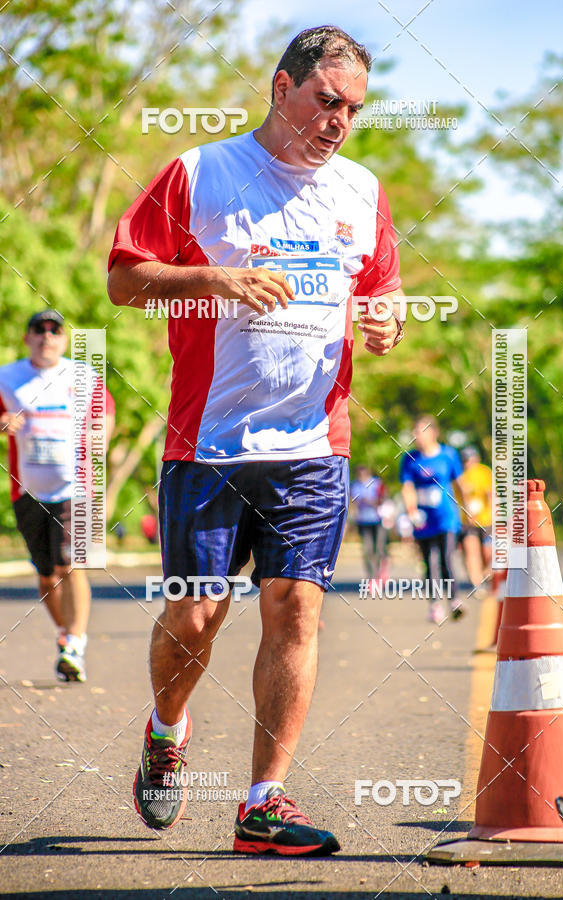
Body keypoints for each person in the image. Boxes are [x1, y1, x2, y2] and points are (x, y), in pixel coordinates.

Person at [108, 25, 404, 856]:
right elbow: (125, 276)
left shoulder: (361, 189)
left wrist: (388, 319)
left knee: (297, 609)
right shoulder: (201, 173)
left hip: (315, 441)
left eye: (353, 109)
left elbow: (384, 289)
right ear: (283, 89)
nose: (339, 120)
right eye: (326, 101)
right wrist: (215, 277)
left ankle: (262, 806)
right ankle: (168, 730)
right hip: (208, 443)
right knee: (198, 613)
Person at [0, 309, 114, 682]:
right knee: (48, 576)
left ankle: (75, 644)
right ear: (27, 337)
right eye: (38, 329)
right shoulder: (7, 377)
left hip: (75, 488)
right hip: (28, 489)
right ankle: (67, 635)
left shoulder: (83, 375)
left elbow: (106, 412)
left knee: (71, 566)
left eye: (54, 330)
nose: (46, 336)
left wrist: (100, 439)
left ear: (64, 338)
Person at [399, 415, 464, 624]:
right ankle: (435, 605)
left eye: (421, 431)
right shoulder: (410, 459)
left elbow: (460, 483)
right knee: (429, 563)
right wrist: (411, 511)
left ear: (434, 433)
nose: (417, 436)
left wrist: (469, 507)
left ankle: (454, 601)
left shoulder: (448, 455)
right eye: (415, 432)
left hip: (447, 517)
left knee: (446, 558)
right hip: (424, 519)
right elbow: (407, 487)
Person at [457, 446, 493, 599]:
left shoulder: (484, 472)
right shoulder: (458, 475)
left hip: (485, 520)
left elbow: (490, 494)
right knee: (471, 552)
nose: (467, 463)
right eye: (464, 460)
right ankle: (477, 584)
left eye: (469, 460)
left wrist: (494, 514)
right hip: (466, 523)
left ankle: (486, 574)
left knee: (487, 553)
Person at [350, 466, 387, 589]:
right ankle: (372, 578)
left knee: (379, 549)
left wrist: (370, 502)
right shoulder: (354, 485)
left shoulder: (376, 483)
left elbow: (383, 500)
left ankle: (381, 569)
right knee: (367, 550)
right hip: (362, 521)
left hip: (377, 520)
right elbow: (352, 502)